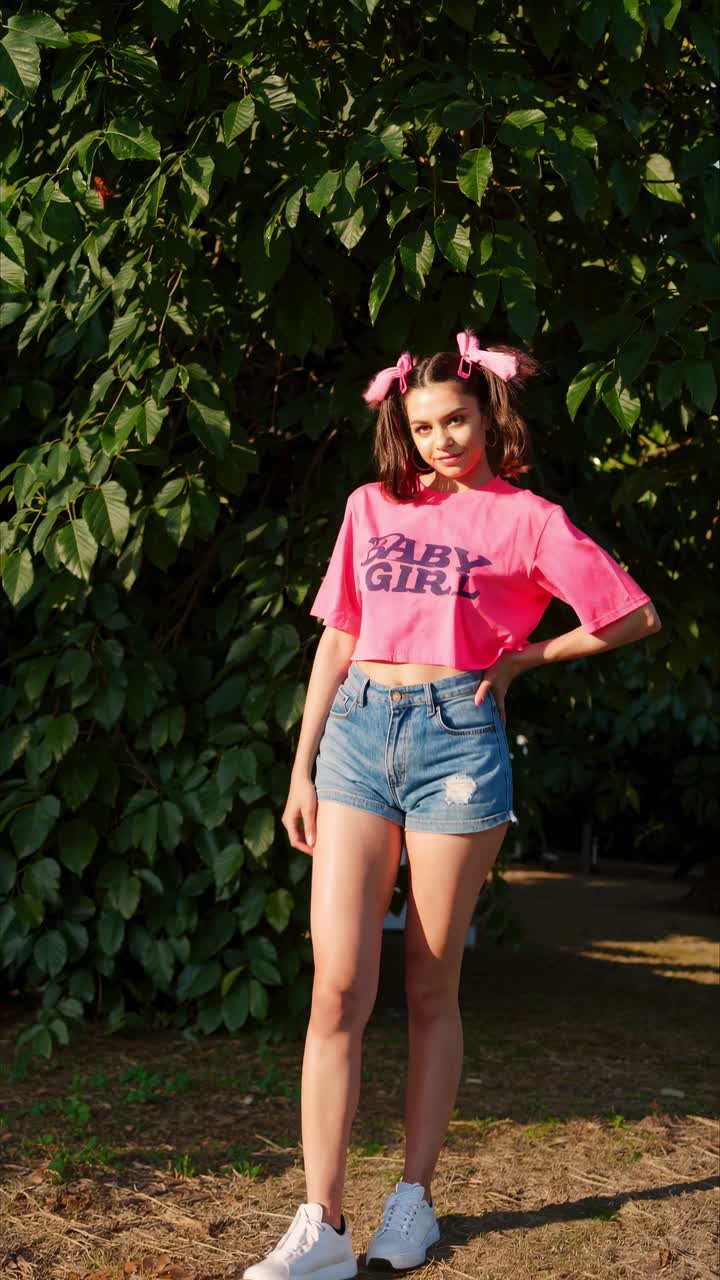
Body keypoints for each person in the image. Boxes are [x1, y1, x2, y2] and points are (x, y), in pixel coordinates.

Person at [242, 330, 661, 1279]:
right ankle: (322, 1225)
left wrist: (525, 656)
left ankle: (412, 1203)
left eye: (455, 420)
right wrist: (301, 767)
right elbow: (338, 637)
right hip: (353, 737)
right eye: (422, 425)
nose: (439, 440)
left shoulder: (528, 519)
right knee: (338, 988)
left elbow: (632, 615)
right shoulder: (370, 507)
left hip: (455, 747)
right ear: (403, 425)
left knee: (432, 986)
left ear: (487, 415)